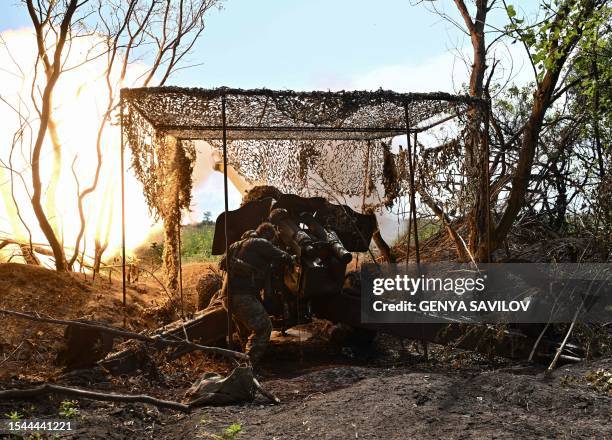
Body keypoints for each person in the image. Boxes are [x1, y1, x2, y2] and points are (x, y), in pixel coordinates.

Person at [221, 222, 294, 364]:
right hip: (242, 296)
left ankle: (245, 369)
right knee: (264, 327)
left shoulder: (237, 244)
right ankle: (248, 366)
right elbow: (282, 256)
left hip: (227, 296)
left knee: (246, 333)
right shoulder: (260, 242)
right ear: (267, 235)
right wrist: (292, 258)